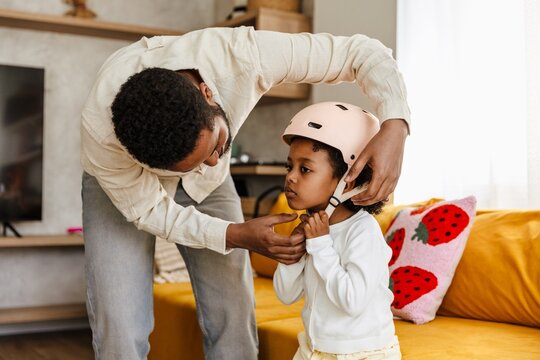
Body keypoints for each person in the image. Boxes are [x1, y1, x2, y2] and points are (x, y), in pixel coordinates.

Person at [80, 27, 410, 360]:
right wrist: (235, 234)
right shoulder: (102, 135)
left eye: (217, 146)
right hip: (125, 192)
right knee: (119, 325)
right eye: (187, 167)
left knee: (233, 315)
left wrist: (395, 123)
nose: (210, 162)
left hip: (212, 189)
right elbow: (151, 212)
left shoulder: (243, 55)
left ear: (208, 93)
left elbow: (364, 52)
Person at [274, 102, 401, 360]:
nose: (291, 177)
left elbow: (352, 300)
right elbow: (286, 295)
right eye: (290, 167)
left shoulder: (362, 231)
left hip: (362, 355)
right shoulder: (313, 228)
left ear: (349, 179)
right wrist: (294, 251)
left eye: (305, 169)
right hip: (315, 350)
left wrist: (320, 245)